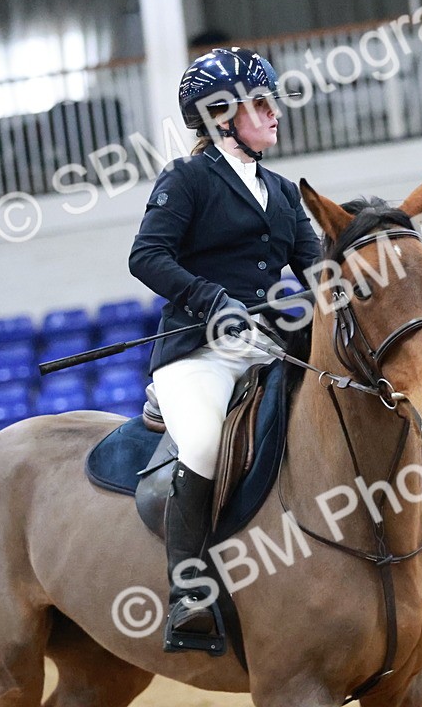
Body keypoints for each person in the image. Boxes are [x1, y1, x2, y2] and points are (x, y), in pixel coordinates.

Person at [128, 46, 321, 652]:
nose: (274, 116)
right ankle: (188, 589)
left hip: (268, 346)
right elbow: (146, 257)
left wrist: (325, 301)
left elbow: (315, 269)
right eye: (261, 105)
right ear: (221, 118)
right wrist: (211, 299)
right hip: (199, 353)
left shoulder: (284, 191)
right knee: (207, 442)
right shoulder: (186, 181)